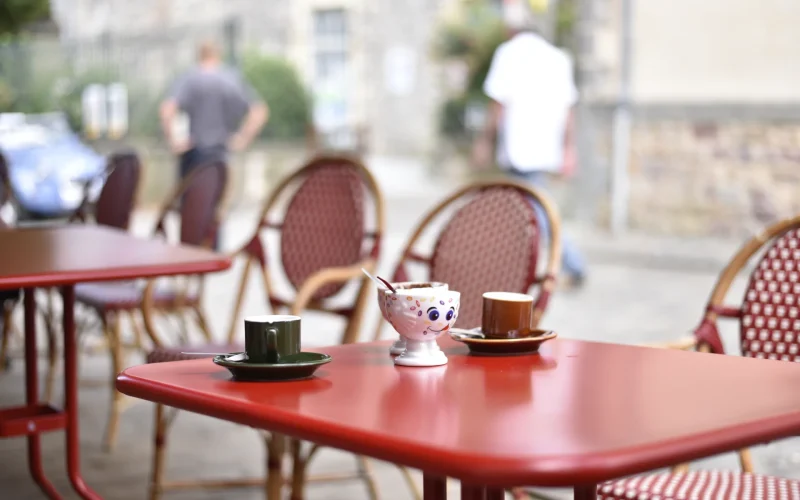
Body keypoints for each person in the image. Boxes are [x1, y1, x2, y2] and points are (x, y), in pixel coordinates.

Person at [472, 1, 586, 287]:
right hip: (545, 147)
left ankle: (570, 262)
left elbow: (497, 104)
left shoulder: (508, 54)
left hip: (520, 148)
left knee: (535, 208)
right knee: (532, 206)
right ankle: (533, 265)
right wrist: (568, 149)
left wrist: (485, 141)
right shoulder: (556, 57)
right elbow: (569, 109)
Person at [160, 41, 268, 181]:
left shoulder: (189, 78)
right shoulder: (231, 79)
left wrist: (173, 141)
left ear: (199, 54)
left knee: (190, 200)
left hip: (194, 154)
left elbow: (167, 110)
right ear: (218, 54)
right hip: (221, 155)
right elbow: (259, 110)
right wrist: (243, 139)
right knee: (215, 199)